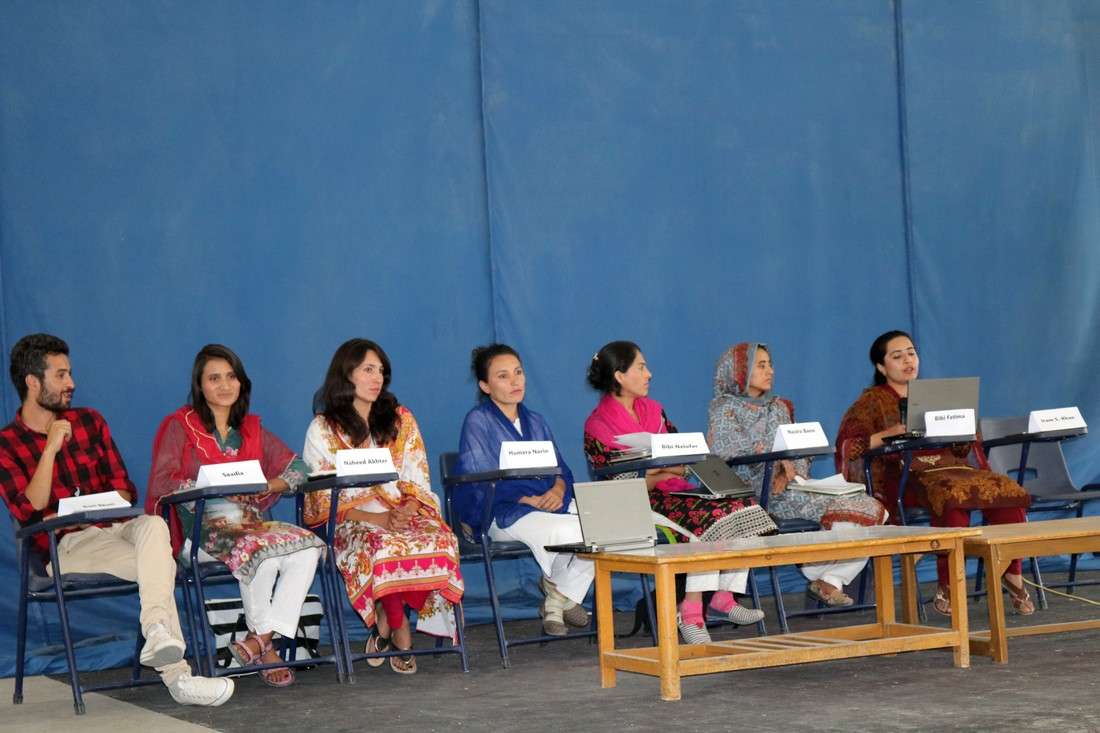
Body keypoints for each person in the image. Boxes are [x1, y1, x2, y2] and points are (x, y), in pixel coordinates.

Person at [0, 334, 233, 706]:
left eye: (70, 373)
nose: (71, 383)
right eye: (61, 375)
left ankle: (158, 634)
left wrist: (96, 504)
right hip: (66, 546)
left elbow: (125, 489)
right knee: (161, 564)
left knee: (154, 526)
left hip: (116, 527)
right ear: (32, 382)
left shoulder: (90, 421)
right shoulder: (7, 443)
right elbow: (30, 510)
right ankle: (179, 678)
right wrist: (50, 450)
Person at [146, 344, 324, 687]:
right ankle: (267, 647)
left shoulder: (251, 429)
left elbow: (299, 467)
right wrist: (211, 486)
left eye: (231, 377)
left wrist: (270, 483)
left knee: (308, 548)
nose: (225, 385)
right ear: (200, 385)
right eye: (214, 378)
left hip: (249, 524)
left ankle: (259, 640)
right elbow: (161, 482)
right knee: (262, 555)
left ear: (242, 383)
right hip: (196, 528)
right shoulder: (180, 427)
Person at [835, 330, 1033, 615]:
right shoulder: (871, 402)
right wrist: (888, 434)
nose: (907, 360)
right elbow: (849, 445)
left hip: (951, 470)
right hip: (901, 479)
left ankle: (1012, 572)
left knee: (1006, 493)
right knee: (951, 498)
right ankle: (949, 582)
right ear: (881, 367)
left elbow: (965, 447)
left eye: (911, 353)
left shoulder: (939, 396)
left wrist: (960, 431)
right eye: (897, 355)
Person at [582, 341, 768, 643]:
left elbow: (685, 461)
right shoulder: (598, 426)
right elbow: (622, 484)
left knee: (739, 505)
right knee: (709, 520)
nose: (649, 374)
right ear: (619, 375)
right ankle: (691, 612)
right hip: (634, 506)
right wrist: (657, 472)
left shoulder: (655, 411)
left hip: (672, 493)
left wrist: (657, 470)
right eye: (641, 367)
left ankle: (724, 595)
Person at [303, 338, 463, 674]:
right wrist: (376, 518)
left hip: (400, 511)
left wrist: (407, 508)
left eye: (381, 371)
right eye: (368, 370)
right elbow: (322, 497)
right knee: (383, 543)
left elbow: (417, 474)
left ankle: (383, 624)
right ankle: (399, 626)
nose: (377, 378)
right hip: (351, 520)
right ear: (346, 375)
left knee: (441, 538)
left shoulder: (400, 419)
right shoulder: (323, 428)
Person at [708, 342, 888, 607]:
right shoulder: (724, 408)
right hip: (756, 495)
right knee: (858, 513)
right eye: (761, 365)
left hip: (791, 486)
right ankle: (819, 573)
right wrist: (774, 467)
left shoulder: (779, 407)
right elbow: (727, 451)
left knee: (873, 509)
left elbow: (799, 450)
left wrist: (790, 471)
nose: (770, 370)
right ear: (739, 372)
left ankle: (829, 578)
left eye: (770, 364)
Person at [455, 344, 592, 637]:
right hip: (503, 512)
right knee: (569, 533)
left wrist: (557, 489)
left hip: (547, 505)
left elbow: (561, 469)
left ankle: (556, 596)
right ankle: (562, 591)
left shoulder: (537, 422)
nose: (515, 381)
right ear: (485, 385)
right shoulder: (478, 422)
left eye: (518, 372)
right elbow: (479, 480)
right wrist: (523, 498)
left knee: (606, 528)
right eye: (503, 376)